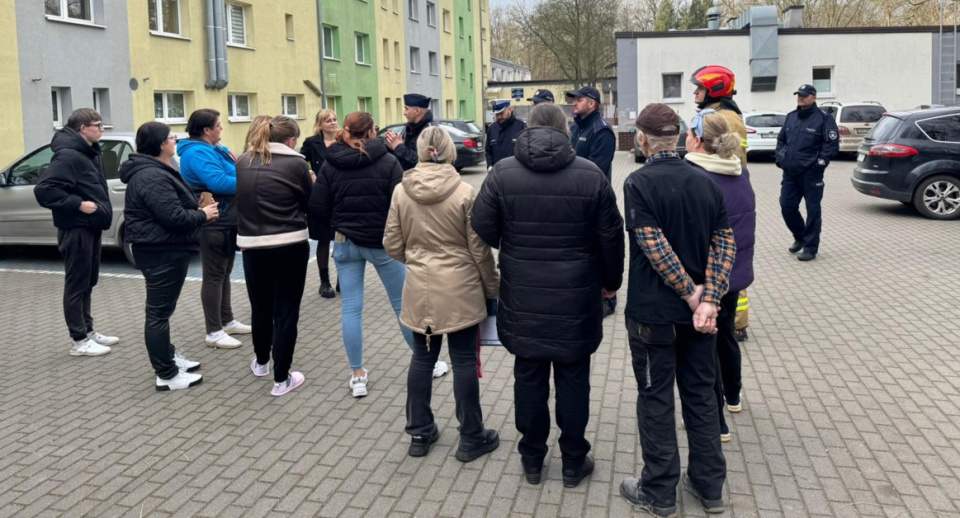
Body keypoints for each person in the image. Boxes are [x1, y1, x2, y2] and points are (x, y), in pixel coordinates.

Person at [471, 103, 624, 488]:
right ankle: (573, 460)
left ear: (529, 128)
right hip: (575, 297)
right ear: (565, 130)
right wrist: (611, 282)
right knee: (574, 378)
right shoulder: (590, 175)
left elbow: (482, 226)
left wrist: (514, 244)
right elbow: (611, 237)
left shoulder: (502, 172)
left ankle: (533, 459)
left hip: (523, 295)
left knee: (529, 376)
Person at [618, 103, 736, 517]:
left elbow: (653, 246)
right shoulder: (706, 183)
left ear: (644, 139)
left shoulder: (638, 183)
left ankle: (659, 491)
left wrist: (693, 295)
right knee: (702, 395)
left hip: (654, 316)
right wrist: (710, 300)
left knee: (656, 399)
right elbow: (725, 244)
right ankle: (710, 486)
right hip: (698, 319)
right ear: (680, 136)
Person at [310, 111, 447, 399]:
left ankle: (357, 375)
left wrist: (332, 230)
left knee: (351, 308)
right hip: (382, 243)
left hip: (344, 243)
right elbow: (402, 206)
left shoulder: (331, 163)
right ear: (372, 131)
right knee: (402, 306)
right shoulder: (387, 161)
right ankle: (428, 364)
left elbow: (318, 207)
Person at [384, 126, 501, 462]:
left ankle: (419, 433)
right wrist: (492, 287)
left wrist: (418, 260)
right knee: (463, 360)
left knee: (422, 358)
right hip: (460, 286)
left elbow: (391, 243)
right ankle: (471, 437)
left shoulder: (400, 191)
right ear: (450, 151)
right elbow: (479, 250)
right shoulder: (465, 191)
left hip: (420, 286)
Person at [120, 122, 217, 390]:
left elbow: (169, 207)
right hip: (160, 251)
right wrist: (202, 215)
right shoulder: (151, 175)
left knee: (163, 310)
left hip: (163, 248)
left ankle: (168, 357)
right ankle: (167, 374)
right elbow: (172, 217)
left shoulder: (158, 170)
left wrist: (196, 205)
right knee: (158, 314)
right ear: (162, 144)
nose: (175, 141)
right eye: (172, 138)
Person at [684, 109, 756, 443]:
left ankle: (717, 423)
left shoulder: (697, 176)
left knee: (704, 347)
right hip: (736, 272)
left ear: (698, 139)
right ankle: (734, 396)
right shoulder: (739, 172)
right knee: (726, 334)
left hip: (707, 277)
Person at [236, 116, 313, 397]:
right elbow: (310, 200)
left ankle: (261, 362)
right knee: (286, 311)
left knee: (261, 306)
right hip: (289, 244)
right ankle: (282, 379)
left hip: (252, 245)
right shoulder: (295, 163)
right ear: (291, 141)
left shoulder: (243, 161)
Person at [34, 108, 119, 357]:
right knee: (76, 284)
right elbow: (45, 190)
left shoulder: (88, 152)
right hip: (76, 228)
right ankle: (79, 341)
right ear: (83, 128)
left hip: (91, 227)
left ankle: (88, 330)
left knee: (88, 281)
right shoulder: (68, 156)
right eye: (98, 125)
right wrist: (78, 204)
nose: (102, 129)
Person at [178, 109, 251, 349]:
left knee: (225, 272)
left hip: (228, 218)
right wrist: (255, 181)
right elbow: (219, 182)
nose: (221, 128)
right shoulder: (197, 152)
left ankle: (227, 320)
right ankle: (214, 331)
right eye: (218, 125)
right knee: (213, 276)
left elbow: (233, 171)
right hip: (214, 221)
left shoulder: (215, 149)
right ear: (206, 130)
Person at [566, 86, 618, 318]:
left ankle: (609, 299)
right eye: (573, 100)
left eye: (579, 99)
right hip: (576, 198)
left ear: (593, 103)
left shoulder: (602, 131)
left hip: (595, 200)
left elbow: (597, 170)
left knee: (600, 248)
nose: (574, 103)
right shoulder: (576, 126)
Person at [776, 84, 840, 262]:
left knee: (813, 211)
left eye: (804, 95)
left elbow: (831, 145)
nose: (801, 98)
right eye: (799, 95)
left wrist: (819, 165)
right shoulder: (791, 117)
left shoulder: (824, 119)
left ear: (814, 97)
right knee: (786, 206)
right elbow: (781, 140)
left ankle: (810, 248)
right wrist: (780, 158)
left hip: (811, 174)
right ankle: (800, 236)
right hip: (790, 173)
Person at [302, 109, 340, 298]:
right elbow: (300, 162)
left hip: (342, 196)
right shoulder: (312, 142)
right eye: (328, 120)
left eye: (334, 119)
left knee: (343, 239)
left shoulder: (344, 140)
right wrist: (310, 174)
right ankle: (324, 282)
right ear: (320, 124)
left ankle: (343, 279)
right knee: (324, 239)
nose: (333, 123)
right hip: (322, 197)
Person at [690, 65, 749, 165]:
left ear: (716, 89)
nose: (695, 92)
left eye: (700, 87)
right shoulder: (712, 114)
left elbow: (735, 159)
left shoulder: (728, 119)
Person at [383, 93, 437, 170]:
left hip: (424, 179)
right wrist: (392, 146)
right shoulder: (408, 128)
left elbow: (427, 161)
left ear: (417, 110)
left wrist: (399, 147)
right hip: (408, 177)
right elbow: (403, 156)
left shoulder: (431, 130)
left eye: (406, 109)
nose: (404, 113)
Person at [485, 99, 526, 170]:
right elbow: (488, 151)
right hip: (498, 173)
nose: (499, 117)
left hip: (516, 172)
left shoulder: (521, 126)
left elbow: (525, 151)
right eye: (496, 114)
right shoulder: (492, 129)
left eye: (501, 113)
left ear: (510, 109)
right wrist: (489, 166)